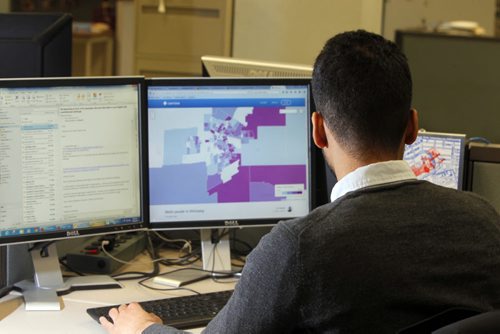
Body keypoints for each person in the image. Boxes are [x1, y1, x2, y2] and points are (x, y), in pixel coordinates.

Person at [100, 30, 500, 334]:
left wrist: (146, 328)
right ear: (412, 127)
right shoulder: (483, 221)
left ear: (318, 131)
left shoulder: (300, 248)